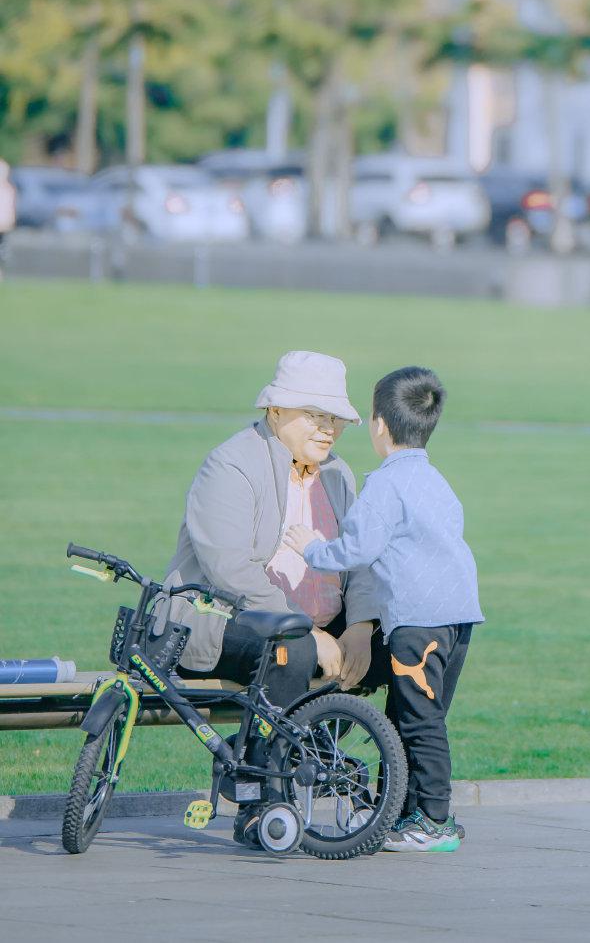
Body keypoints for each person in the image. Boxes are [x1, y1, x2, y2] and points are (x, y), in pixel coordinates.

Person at [163, 350, 379, 846]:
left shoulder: (337, 474)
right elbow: (228, 570)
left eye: (336, 419)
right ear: (276, 411)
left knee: (405, 640)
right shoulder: (232, 464)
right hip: (221, 624)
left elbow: (362, 560)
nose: (329, 429)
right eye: (316, 416)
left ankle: (407, 808)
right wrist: (312, 632)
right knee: (293, 651)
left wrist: (362, 627)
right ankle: (262, 800)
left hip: (319, 627)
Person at [287, 365, 482, 853]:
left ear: (378, 424)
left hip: (417, 624)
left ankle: (435, 821)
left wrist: (311, 547)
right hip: (458, 618)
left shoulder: (385, 485)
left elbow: (356, 550)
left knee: (418, 722)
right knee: (412, 714)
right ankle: (402, 814)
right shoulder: (437, 481)